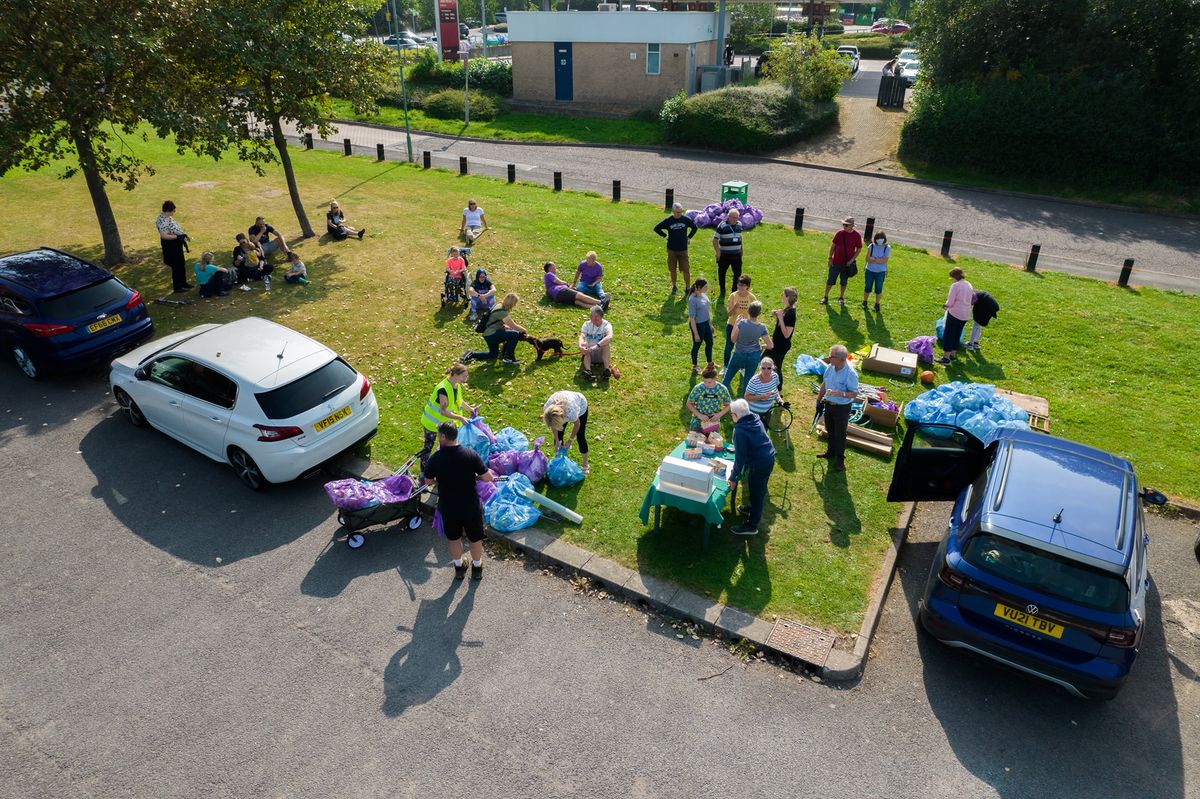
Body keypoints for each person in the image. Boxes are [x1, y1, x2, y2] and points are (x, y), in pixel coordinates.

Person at [424, 421, 494, 581]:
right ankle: (477, 567)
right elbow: (488, 477)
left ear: (443, 436)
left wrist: (438, 480)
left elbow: (427, 481)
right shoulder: (470, 454)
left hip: (449, 507)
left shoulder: (436, 458)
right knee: (475, 537)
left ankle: (459, 566)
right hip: (470, 506)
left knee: (454, 538)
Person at [729, 398, 776, 536]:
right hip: (768, 456)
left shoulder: (740, 430)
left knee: (757, 493)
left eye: (732, 414)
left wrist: (733, 478)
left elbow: (740, 459)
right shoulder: (755, 417)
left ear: (736, 416)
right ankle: (752, 509)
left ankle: (752, 525)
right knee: (756, 488)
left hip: (760, 464)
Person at [419, 363, 476, 475]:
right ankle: (424, 474)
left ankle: (438, 471)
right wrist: (460, 418)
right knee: (428, 448)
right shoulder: (443, 389)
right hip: (432, 423)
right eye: (463, 376)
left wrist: (470, 409)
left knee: (445, 449)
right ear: (455, 374)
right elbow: (444, 411)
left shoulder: (456, 386)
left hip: (444, 425)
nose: (465, 379)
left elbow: (459, 401)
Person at [817, 344, 859, 472]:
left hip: (842, 407)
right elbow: (824, 384)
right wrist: (819, 400)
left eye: (831, 356)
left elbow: (855, 393)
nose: (828, 358)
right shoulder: (831, 367)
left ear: (841, 359)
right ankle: (830, 452)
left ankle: (840, 460)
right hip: (829, 405)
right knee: (830, 429)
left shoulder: (850, 374)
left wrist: (842, 394)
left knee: (840, 434)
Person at [463, 292, 525, 365]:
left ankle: (472, 354)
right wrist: (524, 330)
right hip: (492, 334)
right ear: (512, 304)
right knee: (514, 334)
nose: (515, 305)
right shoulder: (502, 312)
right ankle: (508, 357)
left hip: (488, 334)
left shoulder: (499, 305)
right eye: (515, 303)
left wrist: (505, 327)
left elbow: (497, 321)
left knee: (493, 354)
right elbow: (514, 326)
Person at [723, 300, 770, 393]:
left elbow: (733, 339)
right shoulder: (762, 327)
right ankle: (745, 403)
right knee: (747, 382)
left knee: (727, 379)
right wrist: (761, 346)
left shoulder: (741, 323)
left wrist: (736, 323)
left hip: (738, 354)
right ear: (759, 313)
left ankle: (717, 398)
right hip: (754, 357)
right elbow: (770, 345)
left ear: (748, 310)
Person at [652, 203, 698, 295]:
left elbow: (694, 228)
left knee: (686, 269)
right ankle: (674, 286)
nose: (679, 214)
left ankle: (688, 287)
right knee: (672, 269)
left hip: (683, 249)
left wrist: (689, 237)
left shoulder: (685, 220)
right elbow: (656, 228)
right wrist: (665, 236)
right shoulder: (668, 221)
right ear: (673, 212)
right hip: (672, 249)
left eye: (680, 212)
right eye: (677, 212)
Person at [543, 390, 590, 473]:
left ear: (562, 418)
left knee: (580, 436)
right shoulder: (548, 409)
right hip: (562, 408)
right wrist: (557, 440)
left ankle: (585, 465)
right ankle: (559, 463)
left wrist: (570, 440)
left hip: (580, 404)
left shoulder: (571, 411)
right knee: (558, 437)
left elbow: (577, 424)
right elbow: (554, 426)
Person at [822, 216, 862, 306]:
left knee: (844, 282)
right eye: (843, 224)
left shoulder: (857, 236)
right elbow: (833, 246)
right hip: (836, 262)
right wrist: (829, 258)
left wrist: (852, 260)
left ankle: (841, 297)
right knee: (830, 280)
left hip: (847, 264)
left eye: (846, 225)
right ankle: (825, 296)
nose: (844, 226)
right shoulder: (839, 233)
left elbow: (859, 249)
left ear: (852, 226)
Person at [763, 287, 797, 389]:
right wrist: (777, 315)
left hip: (781, 346)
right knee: (765, 361)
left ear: (787, 297)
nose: (781, 295)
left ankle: (779, 391)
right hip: (776, 343)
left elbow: (787, 334)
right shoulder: (787, 309)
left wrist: (781, 318)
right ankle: (768, 383)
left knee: (776, 367)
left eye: (783, 294)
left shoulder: (791, 313)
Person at [938, 267, 974, 365]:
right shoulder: (968, 284)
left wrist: (945, 306)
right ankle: (953, 354)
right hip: (965, 314)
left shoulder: (955, 286)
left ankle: (946, 358)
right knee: (957, 334)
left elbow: (950, 301)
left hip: (955, 314)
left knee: (948, 334)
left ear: (954, 277)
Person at [722, 274, 757, 367]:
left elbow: (755, 313)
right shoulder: (733, 296)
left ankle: (742, 366)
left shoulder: (752, 298)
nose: (740, 287)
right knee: (729, 346)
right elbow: (729, 314)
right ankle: (726, 366)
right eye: (739, 284)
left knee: (744, 348)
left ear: (748, 287)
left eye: (743, 285)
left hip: (745, 327)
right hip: (732, 325)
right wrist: (734, 307)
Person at [157, 200, 191, 293]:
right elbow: (164, 236)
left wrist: (184, 235)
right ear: (169, 210)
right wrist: (177, 237)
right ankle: (178, 286)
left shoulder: (168, 217)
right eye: (173, 211)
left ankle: (183, 283)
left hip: (176, 243)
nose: (174, 213)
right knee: (176, 266)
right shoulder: (162, 221)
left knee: (181, 264)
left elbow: (175, 228)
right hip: (171, 246)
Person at [686, 365, 732, 433]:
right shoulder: (698, 388)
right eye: (704, 381)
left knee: (713, 442)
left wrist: (719, 415)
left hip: (713, 422)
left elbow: (729, 405)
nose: (706, 384)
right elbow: (689, 403)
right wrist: (699, 415)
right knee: (695, 441)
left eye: (709, 382)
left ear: (716, 378)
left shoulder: (722, 389)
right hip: (697, 421)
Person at [712, 209, 744, 297]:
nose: (735, 220)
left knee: (737, 273)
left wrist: (742, 249)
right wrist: (718, 252)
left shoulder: (739, 224)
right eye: (733, 218)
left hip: (736, 254)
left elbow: (740, 238)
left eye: (737, 218)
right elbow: (715, 240)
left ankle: (734, 290)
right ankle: (722, 289)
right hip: (724, 255)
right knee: (722, 272)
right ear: (728, 217)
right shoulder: (722, 226)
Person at [744, 357, 782, 431]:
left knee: (763, 432)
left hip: (768, 411)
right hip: (753, 412)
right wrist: (761, 397)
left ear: (773, 368)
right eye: (763, 368)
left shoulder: (775, 376)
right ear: (760, 368)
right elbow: (746, 397)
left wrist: (779, 399)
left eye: (769, 368)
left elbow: (775, 389)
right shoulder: (754, 381)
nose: (766, 371)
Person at [686, 278, 714, 374]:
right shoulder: (692, 300)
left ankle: (710, 363)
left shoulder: (704, 296)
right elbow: (692, 318)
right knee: (697, 345)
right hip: (698, 325)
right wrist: (696, 334)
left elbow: (707, 311)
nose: (707, 288)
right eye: (705, 287)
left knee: (710, 343)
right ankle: (695, 366)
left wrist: (710, 324)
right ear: (698, 287)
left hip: (706, 323)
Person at [578, 306, 613, 379]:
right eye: (590, 315)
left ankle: (606, 369)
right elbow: (582, 336)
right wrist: (580, 345)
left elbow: (609, 336)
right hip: (589, 353)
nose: (591, 318)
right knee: (585, 344)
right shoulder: (587, 324)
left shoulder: (606, 325)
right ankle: (588, 370)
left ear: (599, 316)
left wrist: (596, 346)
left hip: (601, 354)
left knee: (606, 345)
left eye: (594, 316)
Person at [863, 230, 890, 311]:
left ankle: (877, 304)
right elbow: (867, 259)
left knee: (878, 288)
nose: (879, 239)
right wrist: (878, 259)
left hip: (880, 272)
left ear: (884, 238)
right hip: (869, 271)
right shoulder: (871, 246)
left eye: (881, 238)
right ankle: (865, 302)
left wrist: (874, 259)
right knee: (867, 287)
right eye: (878, 238)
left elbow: (884, 261)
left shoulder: (887, 247)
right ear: (875, 238)